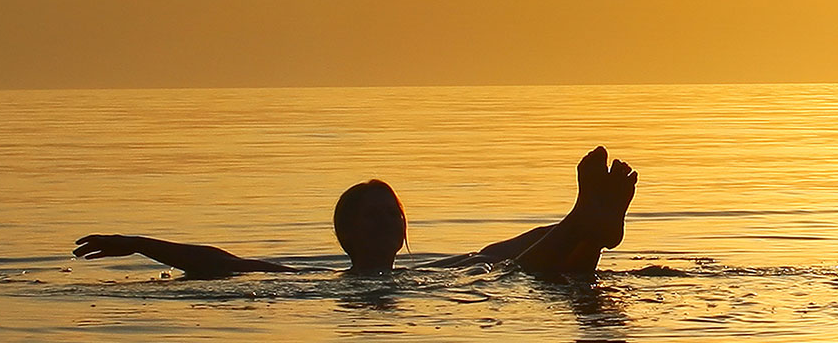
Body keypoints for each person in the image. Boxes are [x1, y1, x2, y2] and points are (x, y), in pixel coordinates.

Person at [71, 147, 637, 277]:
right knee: (520, 274)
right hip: (467, 297)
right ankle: (586, 226)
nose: (388, 223)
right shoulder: (315, 283)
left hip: (459, 282)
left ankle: (589, 228)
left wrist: (551, 228)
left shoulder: (432, 274)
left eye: (393, 214)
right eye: (373, 217)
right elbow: (225, 263)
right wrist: (142, 242)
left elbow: (513, 243)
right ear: (344, 234)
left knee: (504, 260)